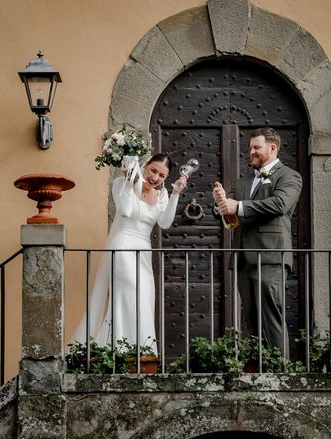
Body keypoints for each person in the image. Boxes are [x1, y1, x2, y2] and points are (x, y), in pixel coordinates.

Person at [72, 153, 187, 354]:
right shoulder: (120, 183)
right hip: (123, 247)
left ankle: (143, 355)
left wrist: (175, 193)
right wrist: (129, 180)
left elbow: (165, 223)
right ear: (145, 165)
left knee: (144, 299)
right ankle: (120, 353)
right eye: (153, 170)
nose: (155, 178)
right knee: (127, 296)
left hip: (143, 253)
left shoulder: (162, 195)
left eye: (162, 176)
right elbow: (125, 210)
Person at [212, 127, 302, 352]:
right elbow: (235, 219)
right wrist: (224, 205)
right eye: (250, 147)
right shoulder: (243, 182)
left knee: (271, 315)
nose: (250, 152)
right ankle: (260, 367)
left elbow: (280, 204)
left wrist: (238, 205)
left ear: (273, 148)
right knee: (252, 318)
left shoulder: (289, 176)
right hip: (244, 257)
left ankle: (280, 372)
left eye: (256, 147)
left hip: (271, 256)